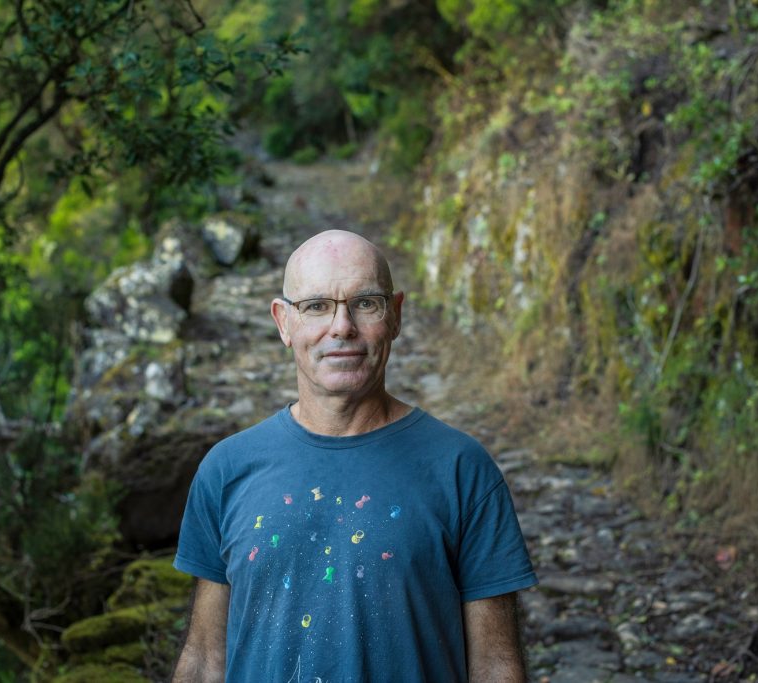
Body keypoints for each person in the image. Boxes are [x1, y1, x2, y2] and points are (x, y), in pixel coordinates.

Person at [171, 230, 538, 682]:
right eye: (316, 306)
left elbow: (497, 665)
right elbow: (204, 659)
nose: (342, 327)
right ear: (283, 322)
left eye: (365, 303)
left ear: (395, 315)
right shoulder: (226, 469)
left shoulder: (461, 469)